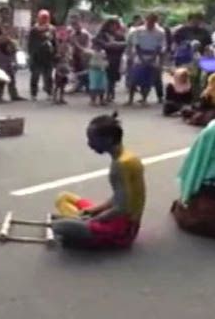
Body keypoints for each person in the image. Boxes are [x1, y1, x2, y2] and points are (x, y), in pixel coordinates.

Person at [52, 113, 145, 249]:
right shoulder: (128, 156)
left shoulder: (120, 166)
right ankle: (79, 221)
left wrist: (93, 219)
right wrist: (94, 210)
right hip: (124, 222)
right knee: (63, 197)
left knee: (58, 226)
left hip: (122, 230)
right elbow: (120, 197)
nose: (89, 144)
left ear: (108, 139)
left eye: (92, 140)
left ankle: (82, 225)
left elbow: (121, 208)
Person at [128, 13, 166, 105]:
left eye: (153, 21)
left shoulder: (160, 32)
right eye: (149, 21)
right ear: (146, 20)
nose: (150, 23)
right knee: (134, 79)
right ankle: (130, 99)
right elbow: (136, 45)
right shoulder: (138, 30)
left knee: (148, 79)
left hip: (153, 56)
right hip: (140, 56)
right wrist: (142, 58)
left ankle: (144, 98)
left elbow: (159, 47)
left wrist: (153, 58)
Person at [93, 18, 126, 103]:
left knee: (112, 79)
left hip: (115, 59)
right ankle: (101, 96)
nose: (114, 27)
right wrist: (112, 45)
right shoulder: (101, 35)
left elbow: (124, 45)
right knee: (103, 78)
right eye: (112, 25)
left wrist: (114, 45)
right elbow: (102, 45)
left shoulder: (119, 36)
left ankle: (110, 94)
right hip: (103, 59)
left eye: (115, 25)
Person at [27, 9, 56, 101]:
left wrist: (56, 53)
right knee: (35, 76)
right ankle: (33, 94)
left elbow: (55, 42)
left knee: (48, 76)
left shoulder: (52, 29)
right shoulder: (34, 30)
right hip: (36, 56)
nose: (44, 20)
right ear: (38, 18)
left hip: (48, 56)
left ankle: (49, 92)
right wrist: (30, 54)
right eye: (42, 18)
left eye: (46, 18)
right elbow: (30, 43)